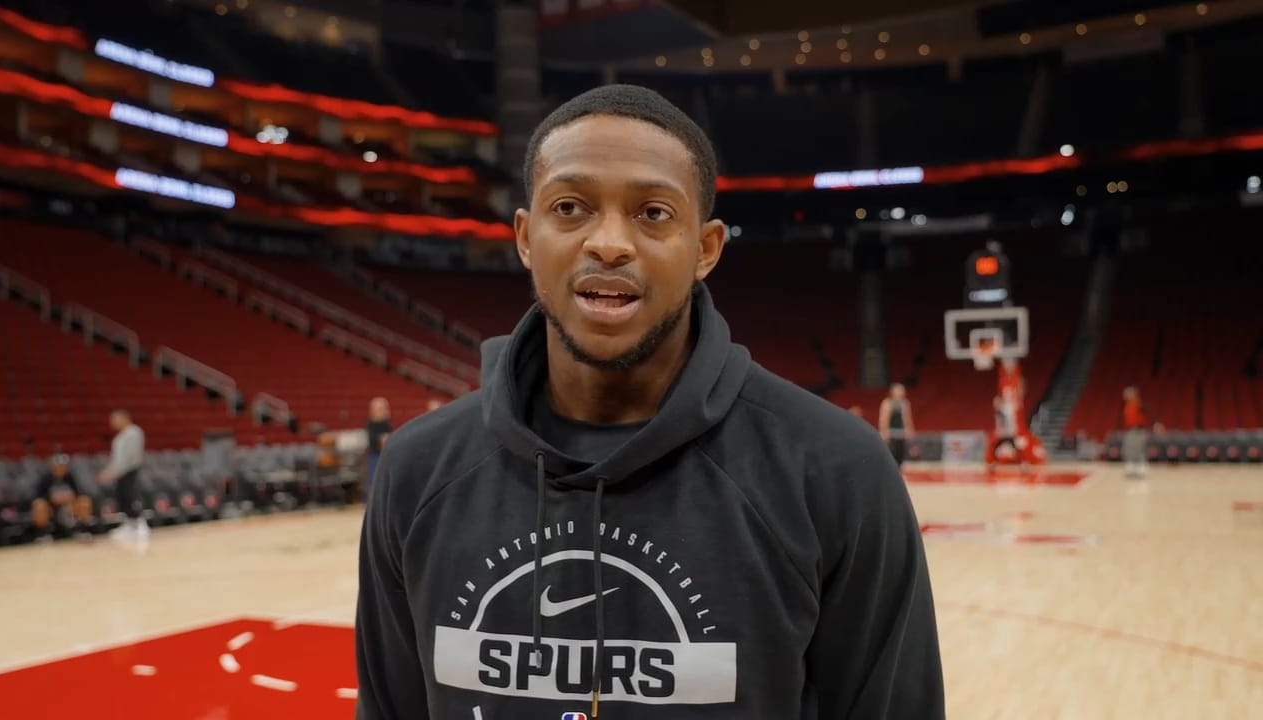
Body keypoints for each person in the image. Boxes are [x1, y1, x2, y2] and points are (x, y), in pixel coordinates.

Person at [355, 85, 943, 719]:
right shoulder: (417, 471)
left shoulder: (836, 472)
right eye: (570, 207)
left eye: (654, 213)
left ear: (706, 249)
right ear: (526, 237)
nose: (610, 243)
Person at [97, 410, 147, 540]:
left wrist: (114, 472)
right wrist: (109, 471)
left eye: (115, 419)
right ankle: (129, 524)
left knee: (130, 496)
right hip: (119, 472)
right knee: (121, 497)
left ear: (124, 418)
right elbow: (116, 459)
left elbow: (131, 457)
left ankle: (139, 524)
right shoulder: (120, 437)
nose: (112, 423)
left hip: (128, 471)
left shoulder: (134, 432)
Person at [32, 452, 93, 542]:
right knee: (39, 504)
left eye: (63, 466)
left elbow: (78, 493)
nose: (61, 468)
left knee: (84, 501)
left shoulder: (70, 477)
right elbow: (38, 495)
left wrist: (70, 498)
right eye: (58, 466)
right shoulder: (46, 479)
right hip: (51, 507)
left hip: (69, 506)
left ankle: (81, 530)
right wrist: (51, 499)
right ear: (53, 467)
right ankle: (43, 533)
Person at [1121, 386, 1157, 479]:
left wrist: (1155, 424)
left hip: (1138, 430)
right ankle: (1132, 470)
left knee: (1139, 450)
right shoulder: (1127, 406)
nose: (1125, 395)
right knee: (1130, 450)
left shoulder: (1138, 404)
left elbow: (1149, 414)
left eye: (1128, 393)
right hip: (1130, 431)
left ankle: (1142, 470)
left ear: (1134, 394)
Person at [878, 382, 915, 468]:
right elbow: (884, 419)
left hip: (901, 434)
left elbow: (907, 418)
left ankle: (899, 471)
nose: (901, 392)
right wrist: (884, 432)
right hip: (891, 434)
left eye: (902, 391)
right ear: (893, 392)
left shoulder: (904, 403)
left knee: (901, 455)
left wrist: (909, 430)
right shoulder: (887, 403)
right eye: (899, 390)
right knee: (891, 456)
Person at [365, 397, 392, 491]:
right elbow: (378, 440)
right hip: (375, 456)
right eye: (381, 409)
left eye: (385, 408)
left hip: (385, 456)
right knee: (374, 482)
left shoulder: (386, 423)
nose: (385, 411)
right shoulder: (370, 425)